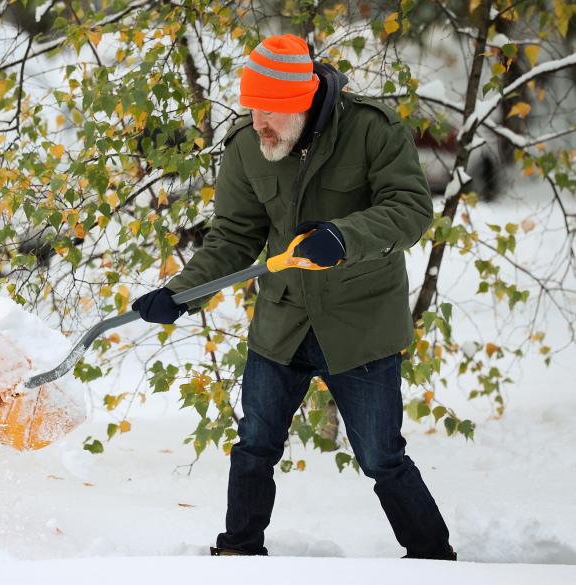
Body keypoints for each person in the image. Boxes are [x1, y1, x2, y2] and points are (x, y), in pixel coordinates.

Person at [131, 34, 456, 560]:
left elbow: (411, 210)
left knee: (380, 456)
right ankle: (238, 552)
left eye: (271, 112)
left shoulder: (371, 130)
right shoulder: (247, 144)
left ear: (304, 103)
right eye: (253, 108)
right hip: (283, 320)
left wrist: (344, 237)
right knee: (255, 445)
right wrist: (180, 293)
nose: (258, 122)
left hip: (359, 322)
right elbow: (235, 235)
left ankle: (433, 559)